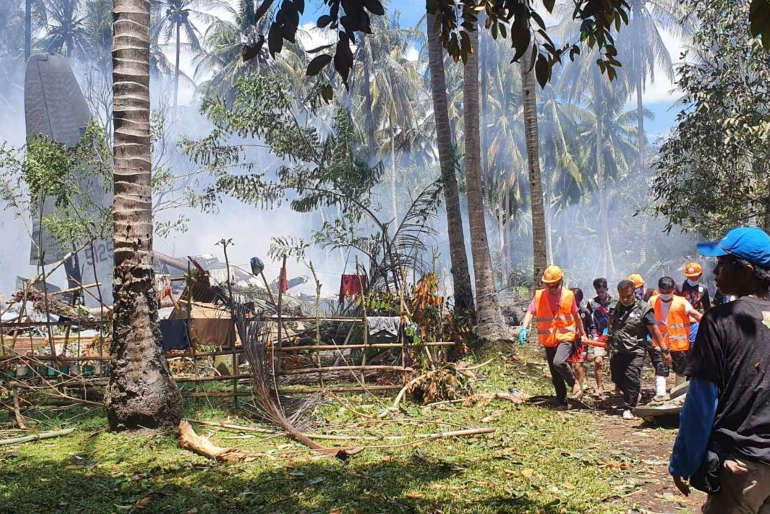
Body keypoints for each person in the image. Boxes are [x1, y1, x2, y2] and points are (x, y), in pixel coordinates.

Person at [670, 227, 770, 513]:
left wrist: (684, 460)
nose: (714, 272)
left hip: (743, 465)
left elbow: (701, 402)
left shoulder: (719, 321)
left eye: (722, 264)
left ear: (747, 270)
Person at [519, 265, 586, 409]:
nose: (552, 289)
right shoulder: (539, 296)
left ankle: (574, 383)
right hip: (549, 340)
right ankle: (562, 402)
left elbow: (576, 316)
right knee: (555, 374)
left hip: (565, 336)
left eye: (554, 286)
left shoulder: (568, 296)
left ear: (560, 282)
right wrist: (524, 328)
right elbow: (530, 312)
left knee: (558, 362)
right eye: (549, 286)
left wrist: (582, 333)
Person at [607, 280, 670, 419]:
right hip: (618, 349)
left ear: (634, 292)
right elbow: (611, 323)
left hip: (636, 350)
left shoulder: (643, 308)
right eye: (622, 296)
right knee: (616, 377)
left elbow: (654, 329)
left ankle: (630, 406)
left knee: (632, 377)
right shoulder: (614, 305)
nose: (625, 299)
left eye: (628, 296)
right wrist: (608, 338)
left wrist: (664, 349)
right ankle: (634, 394)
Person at [649, 277, 703, 386]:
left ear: (673, 289)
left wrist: (711, 326)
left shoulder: (682, 302)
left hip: (679, 344)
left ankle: (678, 393)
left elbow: (697, 315)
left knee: (681, 370)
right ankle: (660, 395)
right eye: (663, 291)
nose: (665, 294)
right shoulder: (652, 300)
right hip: (658, 343)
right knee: (660, 369)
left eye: (668, 291)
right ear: (659, 289)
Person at [586, 278, 612, 397]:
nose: (601, 295)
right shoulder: (592, 303)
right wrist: (592, 332)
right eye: (598, 292)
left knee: (615, 362)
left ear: (607, 289)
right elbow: (586, 317)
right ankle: (599, 388)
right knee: (598, 361)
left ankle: (617, 387)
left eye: (603, 292)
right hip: (598, 336)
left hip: (612, 336)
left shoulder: (615, 302)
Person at [568, 288, 593, 394]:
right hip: (568, 341)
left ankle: (581, 389)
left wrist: (593, 336)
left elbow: (591, 326)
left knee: (578, 366)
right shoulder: (564, 310)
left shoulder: (585, 312)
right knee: (567, 365)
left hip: (581, 342)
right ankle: (572, 386)